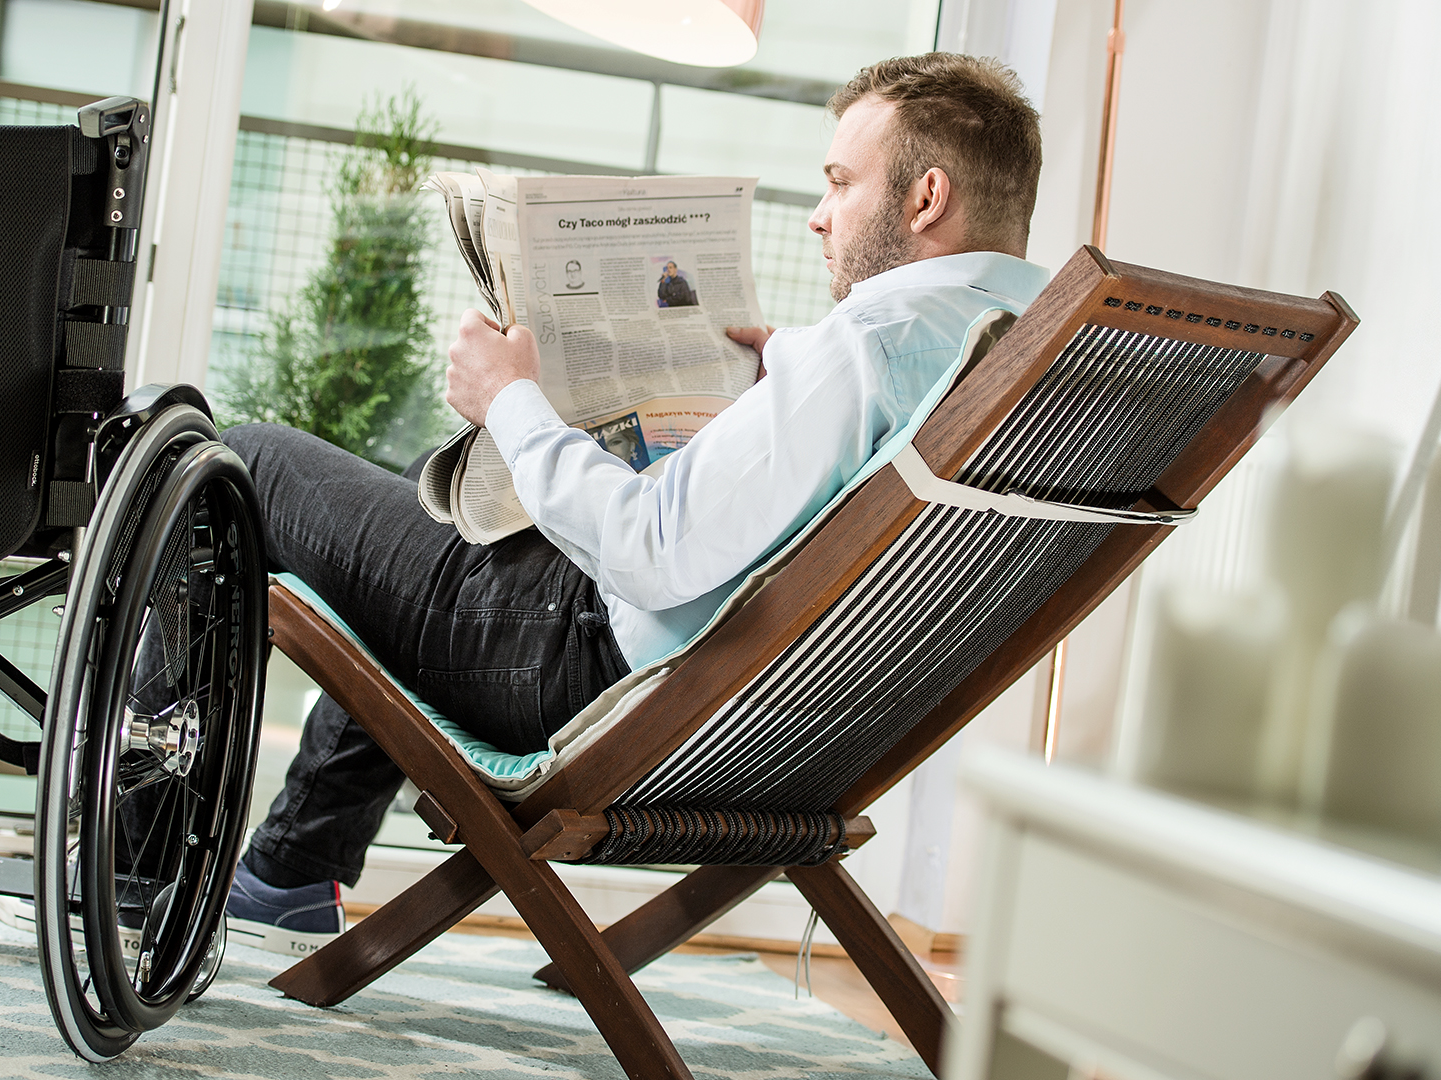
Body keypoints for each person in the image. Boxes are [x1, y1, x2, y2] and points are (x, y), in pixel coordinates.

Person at [221, 52, 1050, 958]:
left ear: (926, 198)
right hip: (773, 737)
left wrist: (508, 398)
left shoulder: (867, 347)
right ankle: (289, 870)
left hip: (583, 677)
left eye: (841, 182)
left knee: (246, 461)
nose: (819, 214)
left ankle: (147, 870)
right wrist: (782, 391)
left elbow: (648, 554)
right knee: (441, 498)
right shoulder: (1025, 360)